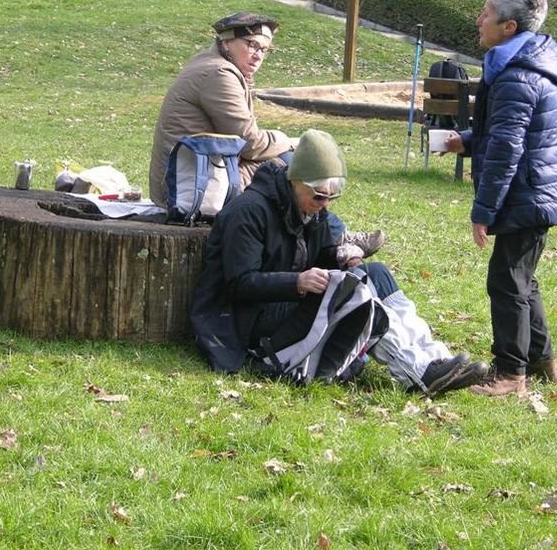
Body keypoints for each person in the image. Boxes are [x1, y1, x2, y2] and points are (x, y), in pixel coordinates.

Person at [190, 128, 487, 395]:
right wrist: (298, 282)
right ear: (296, 182)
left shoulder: (308, 209)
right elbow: (240, 284)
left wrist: (339, 256)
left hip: (284, 305)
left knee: (376, 274)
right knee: (351, 291)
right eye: (319, 197)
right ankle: (417, 373)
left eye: (330, 198)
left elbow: (313, 255)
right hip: (245, 323)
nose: (325, 205)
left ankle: (434, 357)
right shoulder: (249, 212)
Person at [149, 11, 383, 261]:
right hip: (192, 189)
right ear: (227, 42)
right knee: (291, 166)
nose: (258, 55)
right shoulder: (218, 74)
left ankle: (330, 239)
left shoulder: (214, 65)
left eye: (264, 49)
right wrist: (288, 140)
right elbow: (250, 144)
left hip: (199, 175)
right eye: (252, 45)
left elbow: (241, 142)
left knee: (288, 163)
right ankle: (335, 239)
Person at [442, 0, 557, 397]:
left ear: (510, 28)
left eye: (487, 13)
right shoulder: (523, 62)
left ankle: (510, 375)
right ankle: (542, 361)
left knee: (506, 282)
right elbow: (504, 130)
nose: (479, 19)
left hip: (529, 192)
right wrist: (467, 139)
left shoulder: (517, 75)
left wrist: (482, 213)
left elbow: (506, 150)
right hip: (538, 188)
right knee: (521, 278)